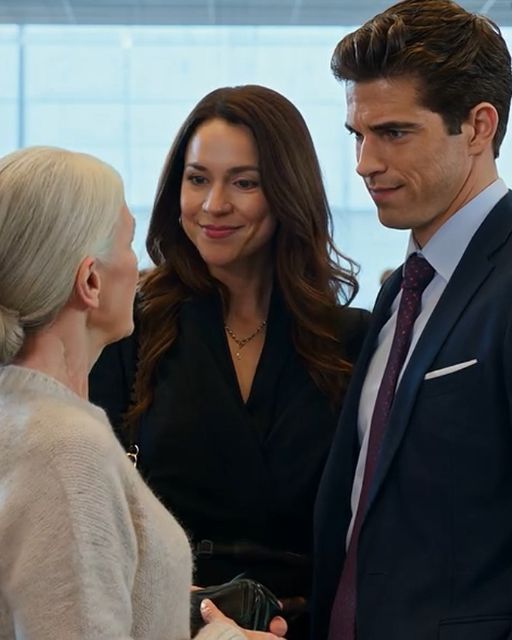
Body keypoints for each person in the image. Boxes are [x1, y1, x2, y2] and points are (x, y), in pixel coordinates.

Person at [89, 84, 370, 640]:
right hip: (166, 623)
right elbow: (91, 512)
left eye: (244, 182)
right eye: (197, 179)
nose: (214, 205)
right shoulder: (129, 326)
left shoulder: (350, 340)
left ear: (287, 192)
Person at [0, 145, 287, 639]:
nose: (140, 268)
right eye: (129, 244)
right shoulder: (67, 451)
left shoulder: (24, 419)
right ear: (90, 280)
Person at [311, 1, 512, 639]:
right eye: (358, 135)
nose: (365, 162)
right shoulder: (403, 289)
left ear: (478, 126)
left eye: (394, 133)